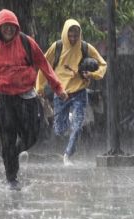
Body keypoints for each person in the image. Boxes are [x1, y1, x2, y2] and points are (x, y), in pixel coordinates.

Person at [0, 9, 68, 191]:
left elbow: (44, 65)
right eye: (4, 26)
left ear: (16, 27)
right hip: (4, 100)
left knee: (32, 135)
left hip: (27, 97)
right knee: (7, 139)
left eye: (11, 26)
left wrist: (58, 88)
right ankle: (11, 178)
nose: (8, 29)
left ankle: (13, 154)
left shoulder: (26, 42)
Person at [36, 19, 107, 166]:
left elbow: (102, 64)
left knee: (77, 126)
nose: (73, 39)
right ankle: (70, 119)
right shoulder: (57, 47)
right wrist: (40, 87)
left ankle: (67, 155)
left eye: (76, 35)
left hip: (80, 93)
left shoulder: (85, 47)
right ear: (65, 34)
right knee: (59, 130)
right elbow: (44, 65)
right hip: (61, 93)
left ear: (80, 34)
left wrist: (92, 74)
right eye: (70, 35)